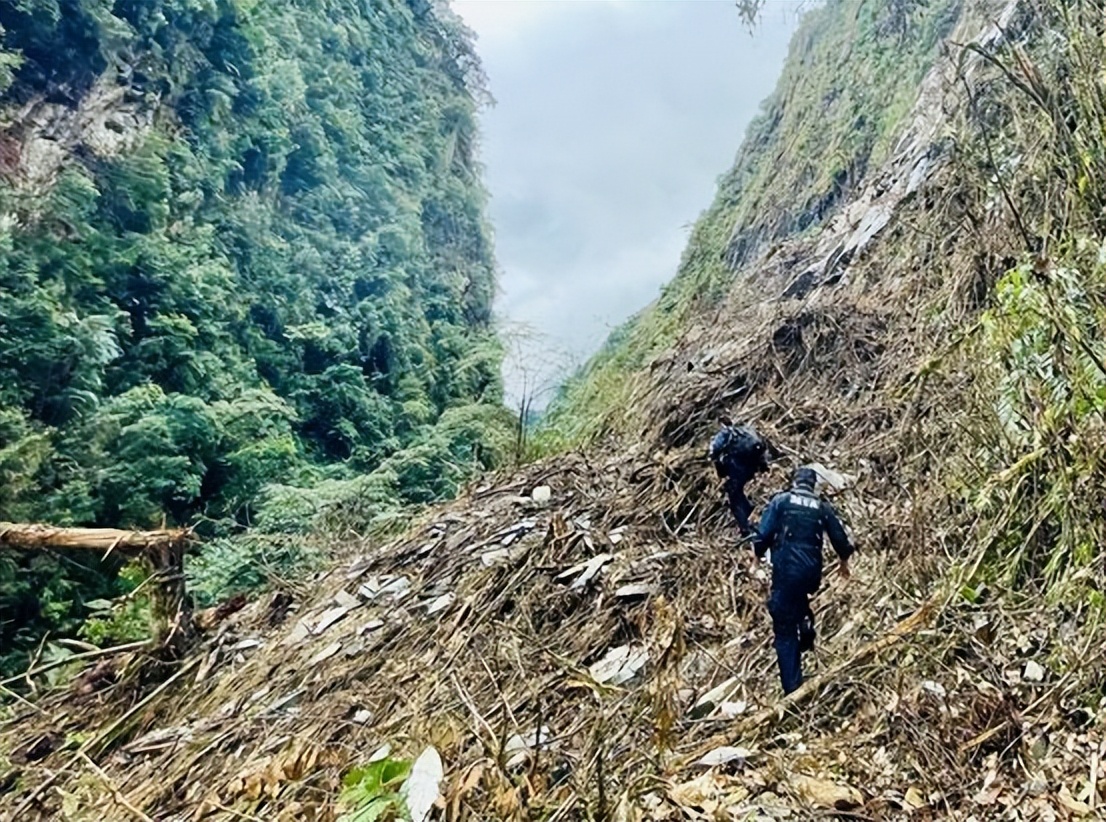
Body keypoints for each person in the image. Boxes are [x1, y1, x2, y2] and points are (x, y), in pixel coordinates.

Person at [753, 466, 855, 695]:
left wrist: (756, 559)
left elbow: (763, 535)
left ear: (794, 482)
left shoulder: (781, 501)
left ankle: (793, 691)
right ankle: (805, 625)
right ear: (812, 485)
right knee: (796, 601)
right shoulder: (822, 508)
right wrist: (844, 563)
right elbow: (841, 540)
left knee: (783, 629)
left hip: (786, 572)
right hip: (810, 573)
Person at [708, 416, 770, 536]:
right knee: (739, 490)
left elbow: (714, 450)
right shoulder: (746, 430)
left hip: (738, 467)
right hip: (752, 466)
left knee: (734, 495)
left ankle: (746, 528)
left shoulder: (724, 433)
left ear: (721, 424)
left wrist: (715, 460)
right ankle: (752, 512)